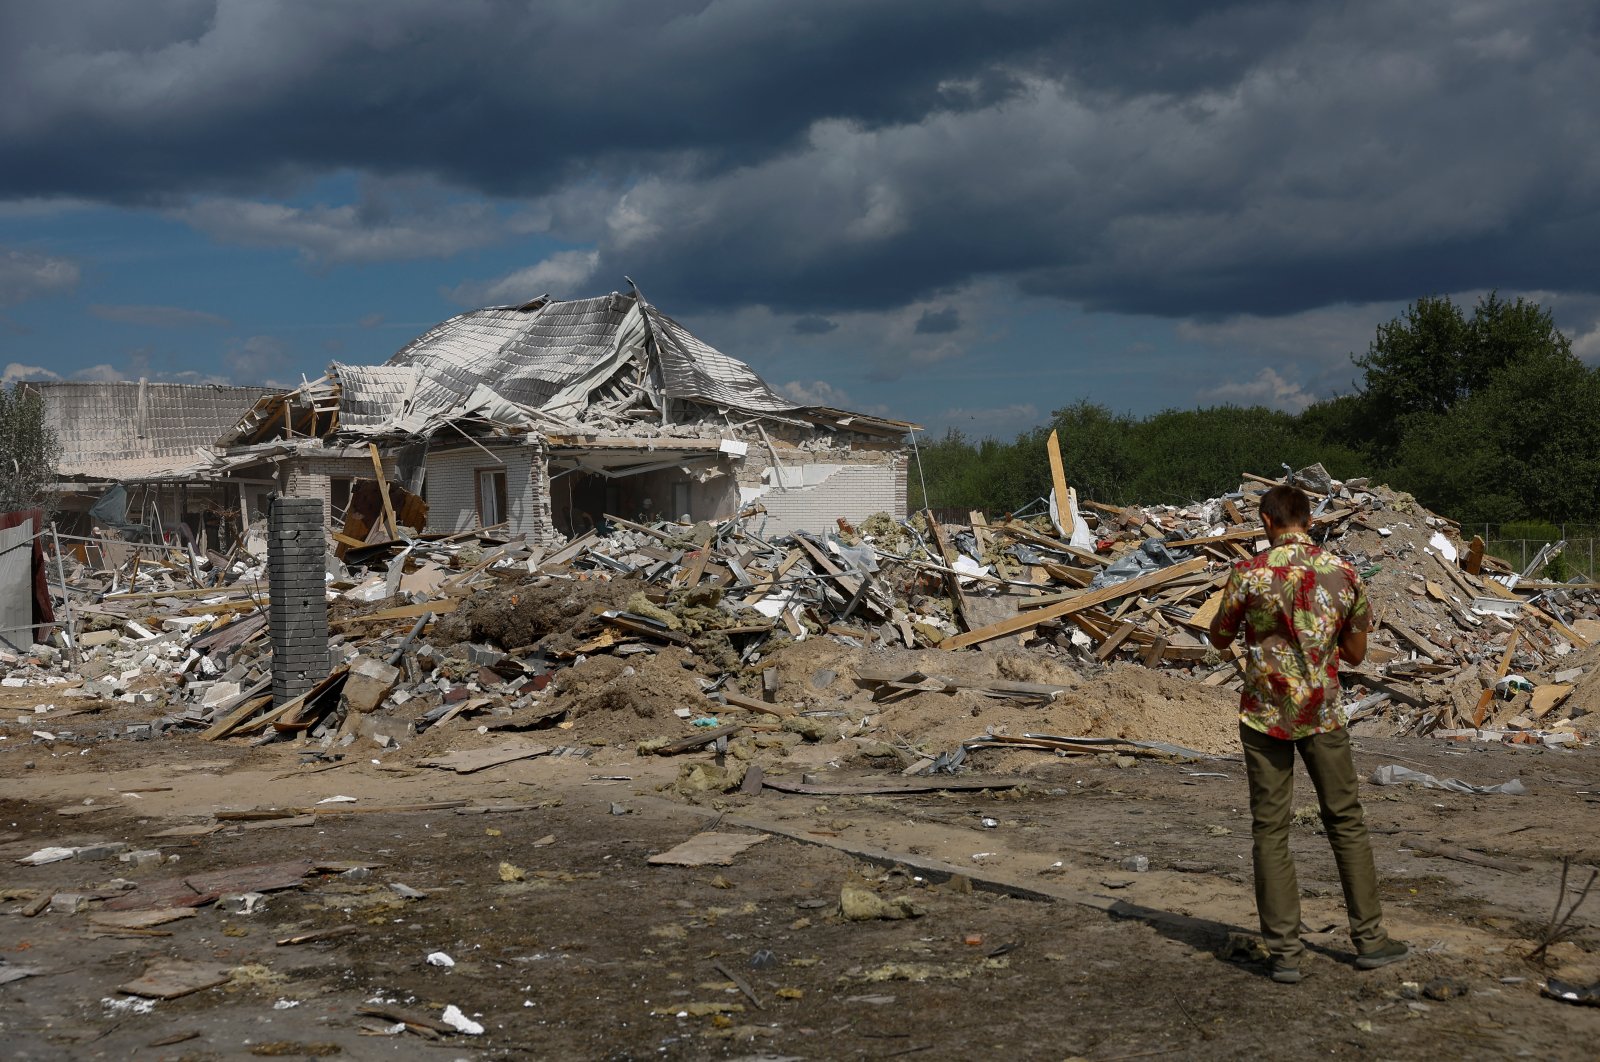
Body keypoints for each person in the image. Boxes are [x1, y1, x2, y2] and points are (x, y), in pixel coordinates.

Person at [1207, 484, 1409, 984]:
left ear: (1267, 521)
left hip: (1263, 716)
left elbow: (1218, 637)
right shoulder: (1342, 573)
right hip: (1322, 715)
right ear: (1309, 520)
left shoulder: (1246, 574)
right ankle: (1370, 940)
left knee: (1270, 831)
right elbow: (1358, 654)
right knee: (1345, 822)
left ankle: (1286, 954)